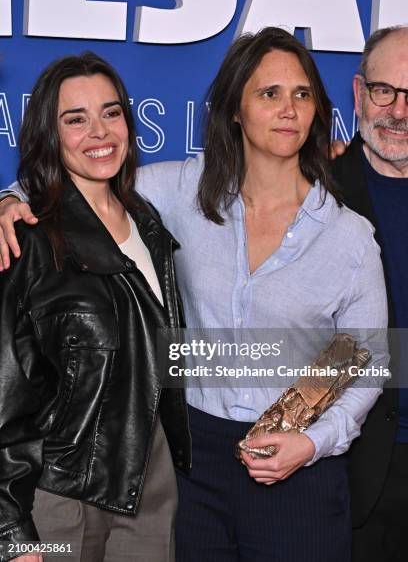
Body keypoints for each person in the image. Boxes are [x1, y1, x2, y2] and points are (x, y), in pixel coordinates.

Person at [0, 29, 388, 562]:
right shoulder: (181, 190)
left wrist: (315, 441)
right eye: (268, 93)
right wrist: (11, 200)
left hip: (300, 468)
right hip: (191, 467)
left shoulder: (348, 237)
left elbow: (369, 359)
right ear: (234, 108)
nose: (288, 110)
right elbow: (83, 174)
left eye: (301, 94)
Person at [0, 52, 190, 562]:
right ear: (50, 134)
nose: (99, 132)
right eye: (75, 119)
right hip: (61, 490)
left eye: (111, 112)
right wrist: (11, 533)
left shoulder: (148, 222)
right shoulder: (27, 237)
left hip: (149, 480)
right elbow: (5, 391)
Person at [332, 25, 408, 562]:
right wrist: (15, 197)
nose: (399, 113)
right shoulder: (312, 187)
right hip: (351, 468)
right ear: (359, 93)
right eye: (385, 92)